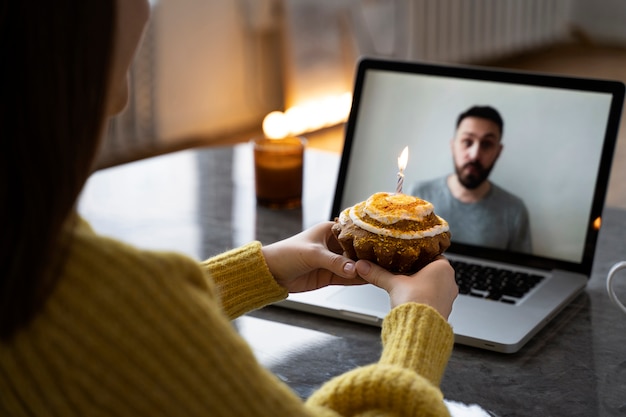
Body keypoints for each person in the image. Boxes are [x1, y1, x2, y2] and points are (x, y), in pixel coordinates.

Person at [0, 1, 459, 416]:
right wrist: (420, 321)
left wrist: (262, 270)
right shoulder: (82, 288)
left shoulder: (32, 253)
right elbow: (121, 318)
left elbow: (103, 332)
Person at [412, 105, 532, 253]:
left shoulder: (515, 210)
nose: (475, 155)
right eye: (467, 142)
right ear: (453, 145)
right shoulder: (418, 196)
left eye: (487, 144)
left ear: (498, 152)